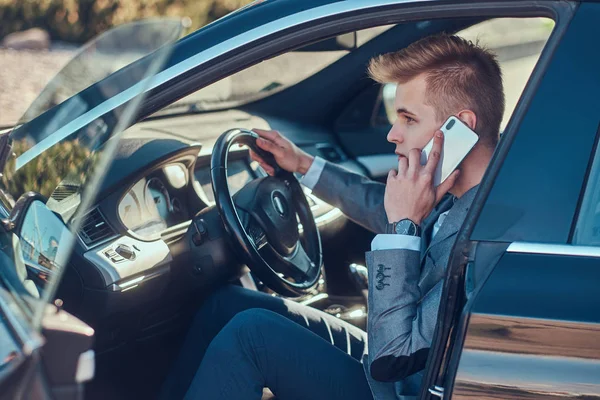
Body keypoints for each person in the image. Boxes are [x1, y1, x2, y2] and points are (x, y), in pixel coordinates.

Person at [161, 33, 504, 400]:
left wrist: (403, 226)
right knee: (226, 304)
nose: (392, 134)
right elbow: (381, 205)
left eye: (408, 119)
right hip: (385, 356)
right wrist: (303, 163)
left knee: (251, 335)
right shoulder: (462, 189)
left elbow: (394, 358)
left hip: (400, 385)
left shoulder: (490, 237)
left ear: (461, 128)